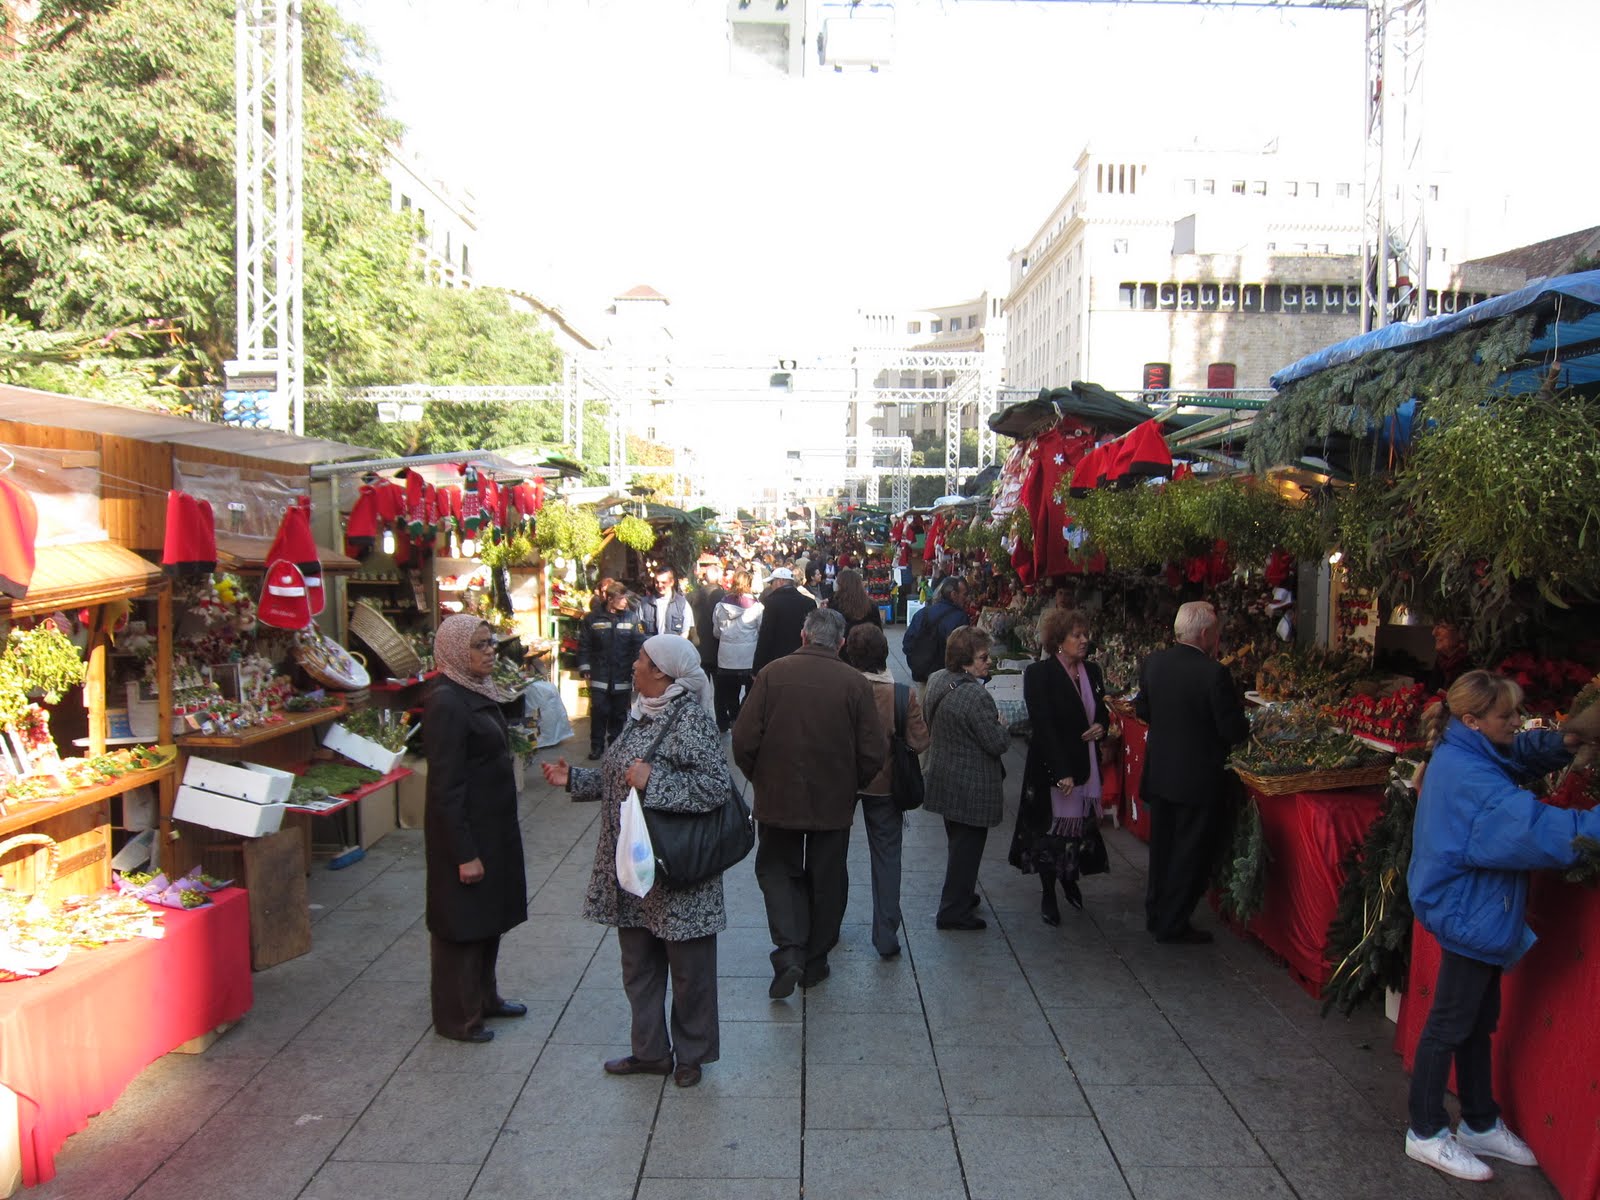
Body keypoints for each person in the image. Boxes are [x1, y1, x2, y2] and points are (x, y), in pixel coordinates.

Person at [1402, 670, 1599, 1182]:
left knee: (1476, 1018)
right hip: (1470, 910)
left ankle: (1480, 1121)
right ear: (1473, 720)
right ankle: (1425, 1131)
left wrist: (1569, 738)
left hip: (1475, 906)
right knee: (1449, 1023)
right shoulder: (1474, 781)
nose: (1516, 722)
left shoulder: (1467, 747)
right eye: (1506, 715)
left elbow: (1520, 752)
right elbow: (1544, 831)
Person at [539, 635, 729, 1089]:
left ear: (663, 672)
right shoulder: (642, 713)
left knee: (689, 972)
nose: (634, 666)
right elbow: (621, 777)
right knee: (638, 966)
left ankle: (691, 1056)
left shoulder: (691, 722)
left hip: (677, 870)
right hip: (634, 867)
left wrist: (655, 780)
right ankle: (650, 1052)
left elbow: (716, 789)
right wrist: (577, 780)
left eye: (642, 660)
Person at [733, 607, 885, 997]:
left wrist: (763, 778)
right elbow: (873, 750)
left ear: (803, 636)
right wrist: (851, 784)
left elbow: (743, 740)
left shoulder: (771, 674)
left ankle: (790, 950)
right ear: (840, 643)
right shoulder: (855, 683)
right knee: (827, 877)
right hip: (832, 801)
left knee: (778, 871)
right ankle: (814, 959)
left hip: (779, 797)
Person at [423, 615, 528, 1044]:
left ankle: (485, 998)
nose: (490, 652)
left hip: (491, 826)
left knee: (487, 919)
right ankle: (457, 1017)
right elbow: (445, 786)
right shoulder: (447, 701)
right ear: (454, 650)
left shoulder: (475, 690)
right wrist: (462, 852)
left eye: (492, 644)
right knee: (461, 926)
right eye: (480, 644)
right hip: (465, 833)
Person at [1135, 601, 1251, 945]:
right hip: (1197, 779)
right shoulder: (1213, 673)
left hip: (1161, 773)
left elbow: (1143, 708)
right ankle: (1173, 922)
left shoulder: (1154, 663)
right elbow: (1232, 730)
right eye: (1216, 634)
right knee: (1188, 852)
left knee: (1163, 849)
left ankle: (1157, 912)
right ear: (1205, 634)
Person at [1011, 607, 1113, 925]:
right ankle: (1048, 893)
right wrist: (1060, 772)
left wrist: (1101, 726)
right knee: (1050, 833)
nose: (1084, 641)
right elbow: (1042, 725)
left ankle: (1070, 878)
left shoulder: (1092, 671)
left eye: (1085, 635)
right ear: (1059, 640)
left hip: (1085, 766)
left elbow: (1101, 710)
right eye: (1076, 636)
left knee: (1076, 832)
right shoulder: (1039, 675)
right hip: (1052, 767)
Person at [842, 622, 929, 958]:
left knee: (834, 856)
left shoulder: (844, 689)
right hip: (887, 785)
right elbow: (920, 741)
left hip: (846, 783)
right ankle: (885, 933)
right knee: (887, 858)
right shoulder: (903, 694)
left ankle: (828, 924)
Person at [922, 626, 1010, 931]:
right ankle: (954, 909)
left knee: (959, 845)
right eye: (983, 657)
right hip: (971, 784)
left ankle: (962, 895)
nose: (989, 663)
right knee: (966, 848)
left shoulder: (936, 679)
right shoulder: (975, 695)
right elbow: (997, 743)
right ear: (965, 661)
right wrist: (1001, 724)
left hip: (944, 774)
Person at [577, 581, 647, 760]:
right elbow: (584, 645)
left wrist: (637, 668)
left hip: (622, 674)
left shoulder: (631, 618)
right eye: (621, 598)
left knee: (619, 713)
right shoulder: (592, 619)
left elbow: (638, 644)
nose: (625, 602)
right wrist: (585, 666)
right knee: (599, 711)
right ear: (609, 599)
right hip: (600, 674)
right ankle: (596, 746)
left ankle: (616, 747)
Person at [712, 569, 762, 732]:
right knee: (750, 690)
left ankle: (733, 716)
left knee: (730, 691)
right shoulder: (757, 607)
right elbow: (761, 629)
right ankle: (741, 716)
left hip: (726, 657)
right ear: (749, 584)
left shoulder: (721, 605)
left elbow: (716, 632)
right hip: (748, 657)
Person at [901, 575, 971, 685]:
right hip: (948, 682)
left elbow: (907, 644)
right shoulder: (960, 617)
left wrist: (919, 662)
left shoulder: (922, 613)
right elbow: (963, 651)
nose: (967, 598)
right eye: (965, 594)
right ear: (953, 595)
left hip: (923, 677)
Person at [751, 566, 817, 673]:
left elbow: (766, 636)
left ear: (780, 581)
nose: (771, 586)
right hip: (802, 658)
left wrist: (757, 668)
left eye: (772, 582)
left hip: (777, 661)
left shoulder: (771, 602)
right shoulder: (809, 603)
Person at [688, 552, 725, 678]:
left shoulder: (692, 596)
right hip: (718, 649)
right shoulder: (725, 597)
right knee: (719, 692)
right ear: (720, 578)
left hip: (697, 646)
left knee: (700, 689)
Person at [641, 565, 693, 640]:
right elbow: (639, 628)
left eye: (663, 582)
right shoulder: (645, 604)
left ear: (671, 582)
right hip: (651, 649)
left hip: (673, 649)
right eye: (657, 582)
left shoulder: (682, 604)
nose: (659, 585)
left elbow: (685, 632)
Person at [830, 566, 883, 636]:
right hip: (866, 642)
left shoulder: (836, 604)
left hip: (843, 643)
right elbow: (878, 631)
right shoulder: (871, 605)